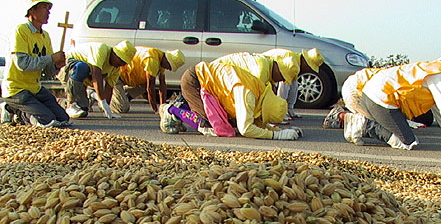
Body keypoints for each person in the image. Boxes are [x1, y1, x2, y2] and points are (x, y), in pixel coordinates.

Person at [343, 42, 441, 154]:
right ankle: (362, 124)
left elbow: (439, 112)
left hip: (374, 94)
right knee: (406, 142)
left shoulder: (435, 69)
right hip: (381, 99)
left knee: (402, 135)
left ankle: (362, 124)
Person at [160, 61, 302, 140]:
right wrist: (276, 136)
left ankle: (183, 106)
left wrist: (280, 130)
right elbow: (245, 128)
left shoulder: (262, 92)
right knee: (210, 126)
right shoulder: (248, 94)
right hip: (195, 80)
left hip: (210, 86)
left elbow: (257, 122)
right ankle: (171, 110)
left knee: (229, 123)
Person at [0, 0, 69, 127]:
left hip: (34, 88)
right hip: (16, 89)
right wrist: (50, 58)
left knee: (63, 119)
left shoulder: (45, 36)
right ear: (32, 10)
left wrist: (56, 65)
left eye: (48, 8)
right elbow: (23, 64)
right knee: (47, 121)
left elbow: (47, 72)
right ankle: (12, 110)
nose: (48, 12)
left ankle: (17, 109)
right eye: (44, 7)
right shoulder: (20, 31)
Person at [59, 40, 136, 119]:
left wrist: (106, 108)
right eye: (121, 61)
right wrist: (102, 100)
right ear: (115, 54)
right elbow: (96, 75)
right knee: (82, 67)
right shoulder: (101, 50)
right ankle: (70, 104)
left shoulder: (116, 69)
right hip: (67, 68)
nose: (121, 64)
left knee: (83, 111)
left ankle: (61, 102)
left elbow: (109, 88)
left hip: (83, 79)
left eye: (124, 63)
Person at [110, 47, 185, 114]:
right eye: (170, 66)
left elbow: (162, 86)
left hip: (128, 79)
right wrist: (155, 109)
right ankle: (103, 98)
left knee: (145, 83)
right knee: (122, 108)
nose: (169, 69)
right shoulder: (152, 60)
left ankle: (124, 96)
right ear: (167, 60)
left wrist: (163, 107)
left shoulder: (161, 58)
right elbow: (150, 88)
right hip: (117, 76)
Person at [262, 48, 325, 120]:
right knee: (285, 86)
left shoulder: (297, 61)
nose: (309, 70)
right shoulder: (292, 63)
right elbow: (282, 90)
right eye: (310, 67)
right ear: (306, 62)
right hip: (264, 64)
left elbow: (293, 87)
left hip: (268, 64)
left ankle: (290, 108)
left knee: (294, 84)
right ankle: (280, 111)